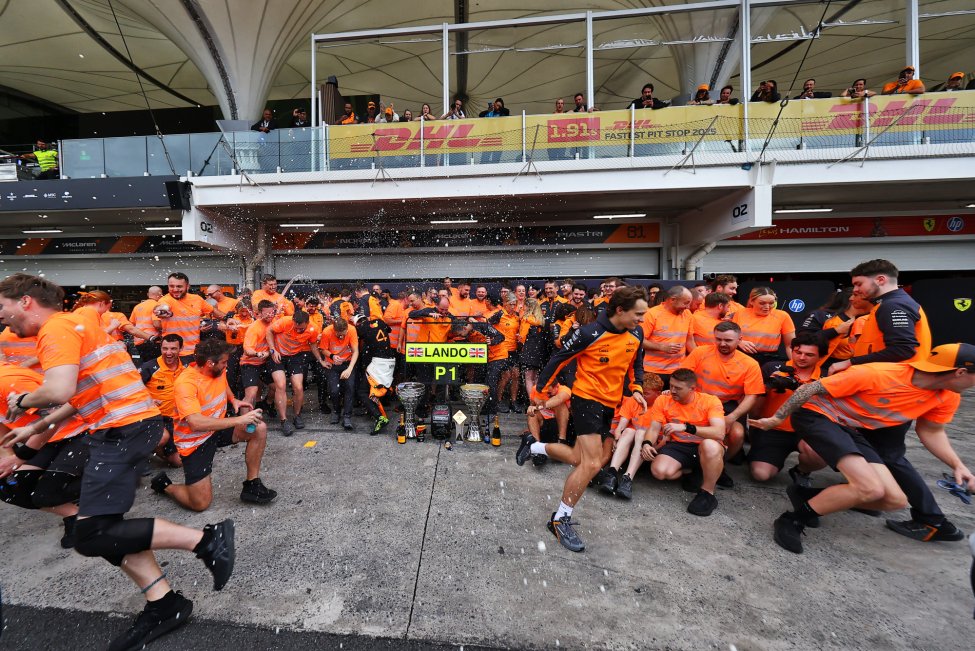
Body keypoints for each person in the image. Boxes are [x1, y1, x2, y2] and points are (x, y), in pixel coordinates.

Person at [0, 273, 235, 650]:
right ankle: (165, 603)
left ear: (25, 301)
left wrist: (23, 402)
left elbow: (58, 389)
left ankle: (208, 540)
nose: (2, 316)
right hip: (124, 427)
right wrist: (36, 426)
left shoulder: (56, 329)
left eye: (3, 306)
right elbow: (79, 395)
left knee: (91, 533)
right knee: (101, 531)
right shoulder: (75, 326)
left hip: (123, 428)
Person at [750, 343, 975, 553]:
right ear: (960, 372)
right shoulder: (878, 373)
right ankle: (792, 520)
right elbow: (809, 389)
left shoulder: (947, 396)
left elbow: (932, 432)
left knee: (894, 500)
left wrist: (958, 465)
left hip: (849, 428)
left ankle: (806, 495)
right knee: (870, 488)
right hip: (817, 416)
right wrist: (778, 418)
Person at [530, 286, 648, 552]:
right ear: (620, 310)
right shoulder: (589, 333)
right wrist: (540, 394)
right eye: (638, 314)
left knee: (577, 458)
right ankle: (560, 519)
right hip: (586, 400)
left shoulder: (637, 333)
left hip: (610, 403)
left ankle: (534, 446)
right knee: (592, 464)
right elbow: (558, 360)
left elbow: (636, 364)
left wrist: (637, 388)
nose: (642, 319)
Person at [152, 338, 275, 511]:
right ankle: (166, 486)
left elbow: (222, 382)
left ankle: (252, 485)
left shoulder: (217, 370)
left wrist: (233, 399)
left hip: (216, 429)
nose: (226, 366)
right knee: (200, 504)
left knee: (258, 428)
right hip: (195, 442)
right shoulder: (186, 383)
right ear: (210, 363)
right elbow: (195, 423)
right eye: (224, 362)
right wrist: (240, 420)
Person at [0, 360, 89, 549]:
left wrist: (20, 457)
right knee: (8, 486)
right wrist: (7, 460)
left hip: (80, 432)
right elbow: (2, 427)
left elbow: (56, 416)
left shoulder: (6, 382)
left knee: (45, 494)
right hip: (48, 440)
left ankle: (115, 476)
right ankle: (74, 514)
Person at [680, 321, 764, 481]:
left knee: (737, 434)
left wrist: (732, 417)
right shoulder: (700, 352)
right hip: (698, 401)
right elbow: (682, 377)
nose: (722, 343)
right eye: (718, 339)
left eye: (728, 340)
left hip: (727, 405)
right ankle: (693, 463)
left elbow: (752, 395)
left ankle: (719, 465)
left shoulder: (750, 364)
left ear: (740, 340)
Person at [748, 334, 827, 484]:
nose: (802, 357)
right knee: (760, 474)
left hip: (806, 431)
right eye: (798, 352)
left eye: (809, 355)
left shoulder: (827, 376)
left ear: (821, 357)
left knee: (821, 453)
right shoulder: (772, 368)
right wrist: (767, 387)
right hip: (773, 430)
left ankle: (801, 471)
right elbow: (753, 408)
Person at [647, 368, 727, 516]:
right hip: (679, 445)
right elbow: (653, 428)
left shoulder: (710, 400)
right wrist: (646, 443)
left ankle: (707, 493)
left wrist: (687, 427)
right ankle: (693, 471)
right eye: (671, 386)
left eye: (678, 388)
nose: (672, 391)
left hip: (704, 445)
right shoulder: (663, 399)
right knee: (659, 471)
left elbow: (719, 432)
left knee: (710, 446)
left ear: (692, 389)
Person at [600, 372, 664, 498]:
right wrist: (617, 438)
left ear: (658, 393)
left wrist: (654, 449)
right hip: (632, 438)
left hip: (651, 443)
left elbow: (666, 437)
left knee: (640, 433)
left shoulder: (662, 404)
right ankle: (612, 473)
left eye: (646, 393)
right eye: (641, 392)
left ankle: (628, 477)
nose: (642, 396)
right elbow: (620, 427)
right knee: (629, 431)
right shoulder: (634, 400)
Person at [240, 300, 290, 434]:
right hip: (250, 363)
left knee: (278, 387)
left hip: (266, 362)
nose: (270, 315)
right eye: (267, 313)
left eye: (272, 312)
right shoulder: (254, 328)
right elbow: (247, 350)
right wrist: (257, 353)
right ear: (259, 313)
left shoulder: (276, 321)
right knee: (251, 393)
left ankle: (272, 409)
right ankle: (243, 423)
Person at [154, 272, 225, 364]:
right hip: (174, 354)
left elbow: (213, 311)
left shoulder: (197, 299)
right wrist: (162, 310)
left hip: (194, 352)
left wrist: (228, 318)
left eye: (179, 286)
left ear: (187, 286)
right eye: (171, 286)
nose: (175, 289)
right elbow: (162, 307)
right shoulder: (165, 300)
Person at [268, 310, 320, 432]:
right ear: (292, 321)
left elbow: (313, 345)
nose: (298, 330)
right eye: (296, 327)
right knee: (281, 385)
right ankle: (284, 420)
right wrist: (272, 349)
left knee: (298, 387)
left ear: (307, 323)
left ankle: (297, 415)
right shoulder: (284, 322)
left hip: (295, 356)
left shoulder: (313, 328)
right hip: (278, 355)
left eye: (301, 329)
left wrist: (320, 360)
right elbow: (269, 331)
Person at [139, 333, 186, 468]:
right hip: (154, 418)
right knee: (162, 438)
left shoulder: (187, 367)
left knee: (179, 462)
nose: (168, 353)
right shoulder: (149, 367)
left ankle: (162, 449)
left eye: (173, 349)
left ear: (181, 349)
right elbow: (131, 390)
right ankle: (140, 453)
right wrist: (147, 400)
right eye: (165, 348)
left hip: (178, 418)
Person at [641, 285, 694, 389]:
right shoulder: (651, 314)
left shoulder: (687, 314)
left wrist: (700, 358)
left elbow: (690, 342)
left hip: (678, 372)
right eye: (685, 303)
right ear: (673, 300)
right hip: (653, 372)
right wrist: (661, 347)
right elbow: (639, 341)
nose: (688, 307)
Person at [733, 287, 796, 365]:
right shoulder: (740, 313)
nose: (767, 307)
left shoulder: (782, 316)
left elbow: (790, 346)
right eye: (762, 303)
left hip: (769, 359)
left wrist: (795, 365)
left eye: (771, 303)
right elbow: (729, 336)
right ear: (752, 301)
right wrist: (739, 342)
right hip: (742, 357)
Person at [316, 317, 359, 430]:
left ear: (346, 329)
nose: (341, 337)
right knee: (334, 390)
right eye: (338, 335)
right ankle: (336, 411)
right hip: (332, 365)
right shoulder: (327, 331)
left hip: (348, 363)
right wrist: (332, 356)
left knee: (350, 387)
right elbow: (322, 349)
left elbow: (355, 351)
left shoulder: (352, 330)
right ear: (334, 330)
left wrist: (350, 369)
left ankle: (347, 416)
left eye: (343, 334)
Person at [130, 286, 163, 362]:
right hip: (153, 340)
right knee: (154, 364)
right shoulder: (157, 305)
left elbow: (131, 324)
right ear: (159, 295)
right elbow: (157, 324)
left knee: (146, 364)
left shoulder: (138, 306)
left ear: (148, 294)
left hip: (139, 341)